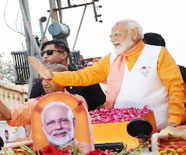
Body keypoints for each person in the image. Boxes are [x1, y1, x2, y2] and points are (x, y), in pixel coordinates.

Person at [30, 19, 186, 129]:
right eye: (112, 36)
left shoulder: (158, 53)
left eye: (118, 35)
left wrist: (174, 119)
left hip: (159, 125)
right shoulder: (111, 59)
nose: (113, 39)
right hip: (122, 125)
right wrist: (53, 76)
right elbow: (85, 76)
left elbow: (175, 87)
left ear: (134, 34)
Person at [0, 64, 84, 127]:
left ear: (65, 81)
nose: (44, 83)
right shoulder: (35, 104)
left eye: (49, 79)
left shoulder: (78, 101)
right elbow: (9, 115)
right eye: (43, 79)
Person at [29, 40, 106, 110]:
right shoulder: (40, 85)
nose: (45, 56)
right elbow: (32, 111)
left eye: (49, 52)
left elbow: (101, 107)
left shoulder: (84, 78)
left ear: (64, 55)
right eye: (43, 53)